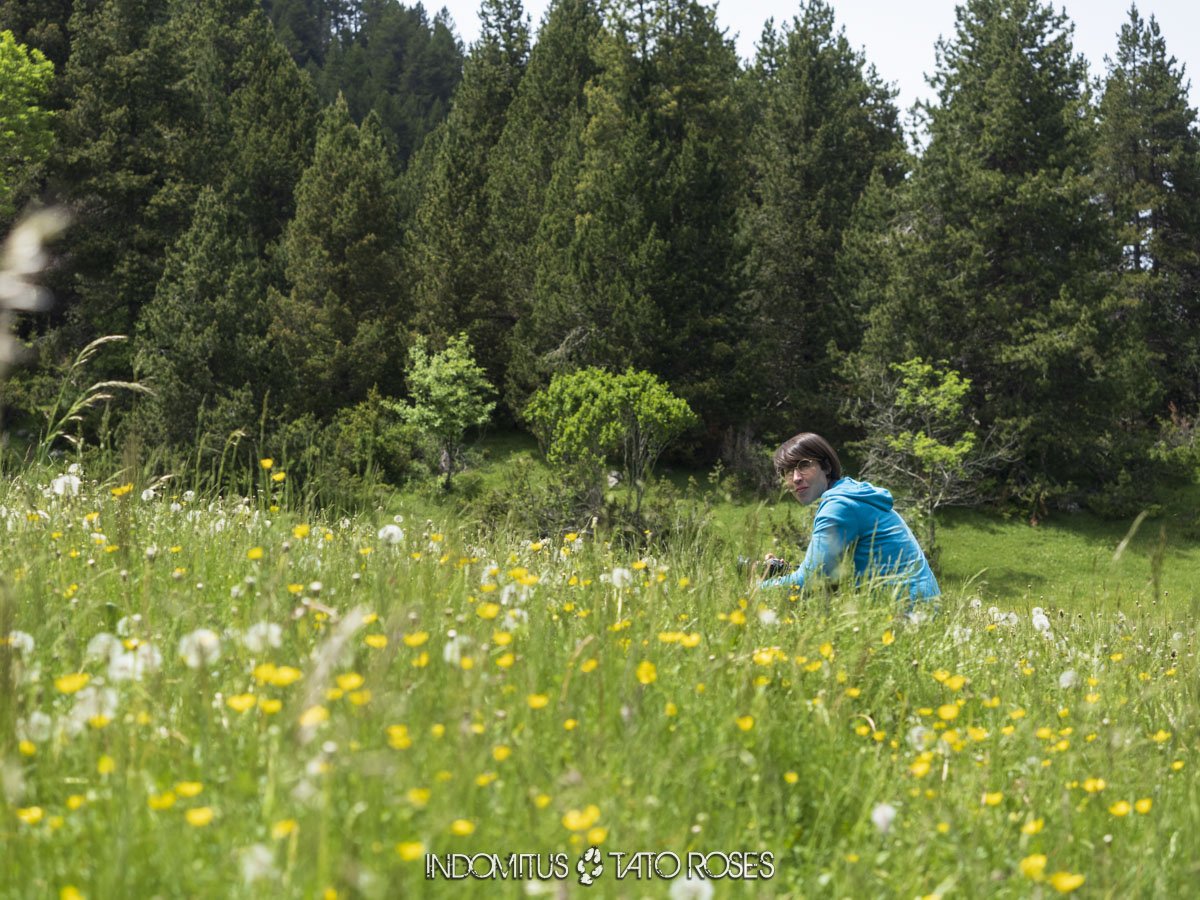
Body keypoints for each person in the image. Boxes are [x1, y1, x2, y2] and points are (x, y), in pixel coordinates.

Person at [755, 432, 939, 603]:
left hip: (906, 612)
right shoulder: (853, 493)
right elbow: (830, 574)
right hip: (922, 605)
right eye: (788, 471)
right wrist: (787, 572)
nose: (795, 478)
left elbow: (810, 579)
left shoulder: (840, 506)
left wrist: (754, 590)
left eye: (804, 465)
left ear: (826, 466)